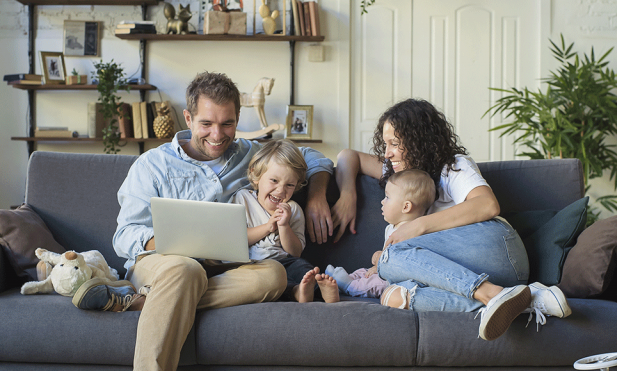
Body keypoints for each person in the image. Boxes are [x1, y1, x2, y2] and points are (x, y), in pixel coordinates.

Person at [71, 71, 334, 371]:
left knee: (273, 274)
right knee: (186, 268)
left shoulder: (250, 155)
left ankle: (148, 301)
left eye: (228, 124)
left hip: (225, 268)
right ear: (188, 118)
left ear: (237, 118)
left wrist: (316, 197)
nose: (218, 135)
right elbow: (125, 235)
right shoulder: (153, 164)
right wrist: (179, 242)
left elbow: (313, 158)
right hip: (163, 264)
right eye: (206, 124)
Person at [330, 98, 571, 341]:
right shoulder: (399, 173)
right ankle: (526, 299)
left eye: (395, 143)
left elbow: (487, 205)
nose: (388, 152)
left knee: (390, 256)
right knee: (393, 294)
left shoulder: (452, 166)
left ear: (418, 142)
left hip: (499, 250)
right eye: (385, 144)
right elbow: (349, 156)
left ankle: (488, 293)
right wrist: (348, 195)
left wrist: (417, 227)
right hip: (484, 275)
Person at [232, 139, 339, 303]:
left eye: (289, 184)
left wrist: (284, 226)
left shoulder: (293, 209)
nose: (280, 190)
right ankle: (296, 292)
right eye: (274, 181)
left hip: (285, 261)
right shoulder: (243, 199)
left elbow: (295, 251)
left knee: (304, 269)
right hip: (252, 264)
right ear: (256, 176)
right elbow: (238, 239)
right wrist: (268, 227)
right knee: (267, 279)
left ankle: (319, 292)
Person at [326, 169, 435, 299]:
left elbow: (400, 265)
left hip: (395, 280)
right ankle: (343, 279)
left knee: (376, 283)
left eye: (387, 197)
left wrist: (379, 262)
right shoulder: (391, 227)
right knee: (363, 272)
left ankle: (350, 286)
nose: (382, 201)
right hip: (383, 270)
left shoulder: (411, 233)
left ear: (406, 207)